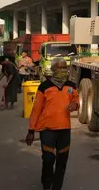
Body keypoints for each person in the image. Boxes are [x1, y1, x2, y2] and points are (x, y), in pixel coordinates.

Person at [26, 58, 79, 190]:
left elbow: (76, 100)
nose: (63, 70)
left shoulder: (71, 86)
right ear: (54, 69)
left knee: (62, 162)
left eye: (64, 67)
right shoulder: (44, 86)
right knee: (48, 160)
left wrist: (75, 104)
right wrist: (31, 131)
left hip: (64, 129)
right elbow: (36, 110)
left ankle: (56, 187)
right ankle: (46, 184)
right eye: (59, 68)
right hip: (47, 129)